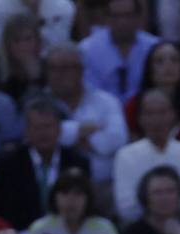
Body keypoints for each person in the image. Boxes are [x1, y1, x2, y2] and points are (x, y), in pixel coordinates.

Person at [0, 95, 91, 232]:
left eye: (48, 126)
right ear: (26, 131)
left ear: (59, 129)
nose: (43, 133)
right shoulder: (8, 164)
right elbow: (2, 210)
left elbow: (86, 209)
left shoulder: (77, 163)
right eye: (37, 127)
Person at [112, 88, 180, 224]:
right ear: (140, 119)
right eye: (150, 113)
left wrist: (150, 197)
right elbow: (127, 208)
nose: (157, 120)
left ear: (173, 115)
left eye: (162, 112)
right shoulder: (125, 156)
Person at [43, 41, 127, 190]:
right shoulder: (38, 102)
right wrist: (80, 130)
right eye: (53, 69)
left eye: (66, 68)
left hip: (102, 185)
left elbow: (116, 140)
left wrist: (67, 136)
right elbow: (43, 137)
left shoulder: (106, 102)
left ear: (81, 70)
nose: (59, 75)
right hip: (54, 188)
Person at [124, 38, 180, 163]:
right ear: (149, 69)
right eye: (159, 61)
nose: (168, 66)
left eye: (175, 60)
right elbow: (132, 152)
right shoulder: (134, 105)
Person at [77, 0, 157, 104]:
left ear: (138, 17)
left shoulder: (153, 47)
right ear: (106, 18)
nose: (122, 22)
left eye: (128, 15)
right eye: (116, 16)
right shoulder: (87, 50)